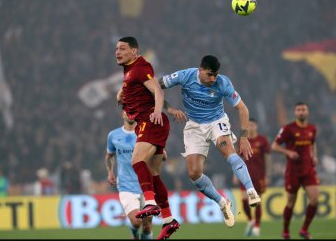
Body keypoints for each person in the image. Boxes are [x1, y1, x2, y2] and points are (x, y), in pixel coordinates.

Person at [158, 55, 261, 228]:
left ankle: (251, 191)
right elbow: (155, 86)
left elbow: (242, 108)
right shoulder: (185, 76)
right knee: (194, 174)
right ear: (200, 70)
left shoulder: (223, 83)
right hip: (194, 126)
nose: (213, 79)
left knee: (228, 150)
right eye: (209, 75)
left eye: (215, 75)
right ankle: (222, 203)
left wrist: (243, 137)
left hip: (216, 121)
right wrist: (169, 109)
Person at [115, 36, 182, 239]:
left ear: (134, 51)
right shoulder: (129, 72)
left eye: (123, 49)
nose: (118, 52)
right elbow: (133, 90)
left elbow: (158, 92)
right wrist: (121, 94)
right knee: (153, 173)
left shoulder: (140, 66)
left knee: (137, 160)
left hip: (150, 121)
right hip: (149, 124)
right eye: (116, 49)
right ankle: (169, 220)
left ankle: (151, 204)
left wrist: (157, 111)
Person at [271, 102, 319, 240]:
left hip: (308, 169)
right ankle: (285, 230)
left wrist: (314, 156)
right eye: (298, 110)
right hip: (293, 171)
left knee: (314, 200)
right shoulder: (288, 129)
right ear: (295, 113)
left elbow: (313, 143)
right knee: (291, 202)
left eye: (303, 109)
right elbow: (274, 146)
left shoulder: (312, 128)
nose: (301, 112)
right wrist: (288, 152)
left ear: (308, 112)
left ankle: (304, 229)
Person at [105, 111, 153, 239]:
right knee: (137, 222)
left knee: (147, 227)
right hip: (126, 186)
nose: (130, 114)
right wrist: (110, 172)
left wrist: (161, 153)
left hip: (146, 185)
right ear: (123, 114)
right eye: (128, 112)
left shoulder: (145, 133)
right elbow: (109, 156)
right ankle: (134, 233)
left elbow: (159, 152)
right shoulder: (113, 135)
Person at [233, 118, 271, 237]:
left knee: (257, 201)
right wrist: (235, 174)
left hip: (259, 176)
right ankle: (250, 220)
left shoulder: (263, 140)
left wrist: (268, 175)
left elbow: (268, 158)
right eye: (248, 125)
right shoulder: (242, 141)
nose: (250, 127)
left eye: (253, 125)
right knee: (244, 201)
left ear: (257, 127)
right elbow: (238, 160)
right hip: (245, 175)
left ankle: (257, 226)